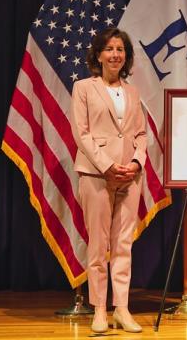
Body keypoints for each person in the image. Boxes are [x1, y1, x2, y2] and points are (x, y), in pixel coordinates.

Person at [70, 28, 146, 334]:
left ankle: (122, 309)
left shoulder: (133, 92)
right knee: (99, 245)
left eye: (120, 49)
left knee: (123, 245)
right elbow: (81, 133)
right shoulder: (84, 88)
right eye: (110, 49)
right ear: (98, 55)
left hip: (130, 175)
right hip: (96, 175)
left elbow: (140, 134)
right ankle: (99, 309)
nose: (115, 54)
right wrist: (107, 165)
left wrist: (137, 162)